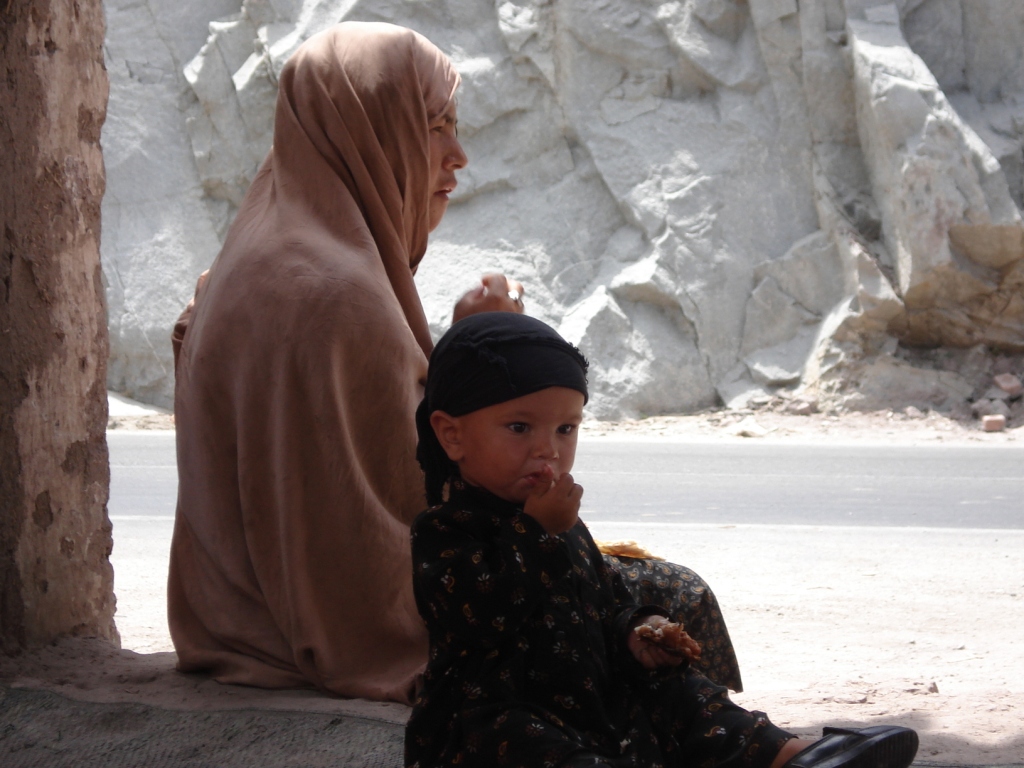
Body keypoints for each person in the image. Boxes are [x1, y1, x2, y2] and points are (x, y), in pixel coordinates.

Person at [168, 21, 736, 704]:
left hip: (233, 618)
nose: (457, 155)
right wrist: (493, 358)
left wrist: (461, 347)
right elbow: (433, 513)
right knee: (671, 599)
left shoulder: (260, 254)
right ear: (368, 131)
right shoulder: (338, 299)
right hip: (338, 627)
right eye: (432, 126)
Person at [406, 311, 920, 768]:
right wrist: (537, 532)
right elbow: (481, 618)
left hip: (591, 699)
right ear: (452, 435)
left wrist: (639, 629)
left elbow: (603, 599)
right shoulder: (446, 531)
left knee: (687, 698)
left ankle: (795, 755)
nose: (549, 450)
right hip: (504, 711)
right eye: (519, 427)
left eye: (566, 429)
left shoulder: (564, 522)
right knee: (519, 741)